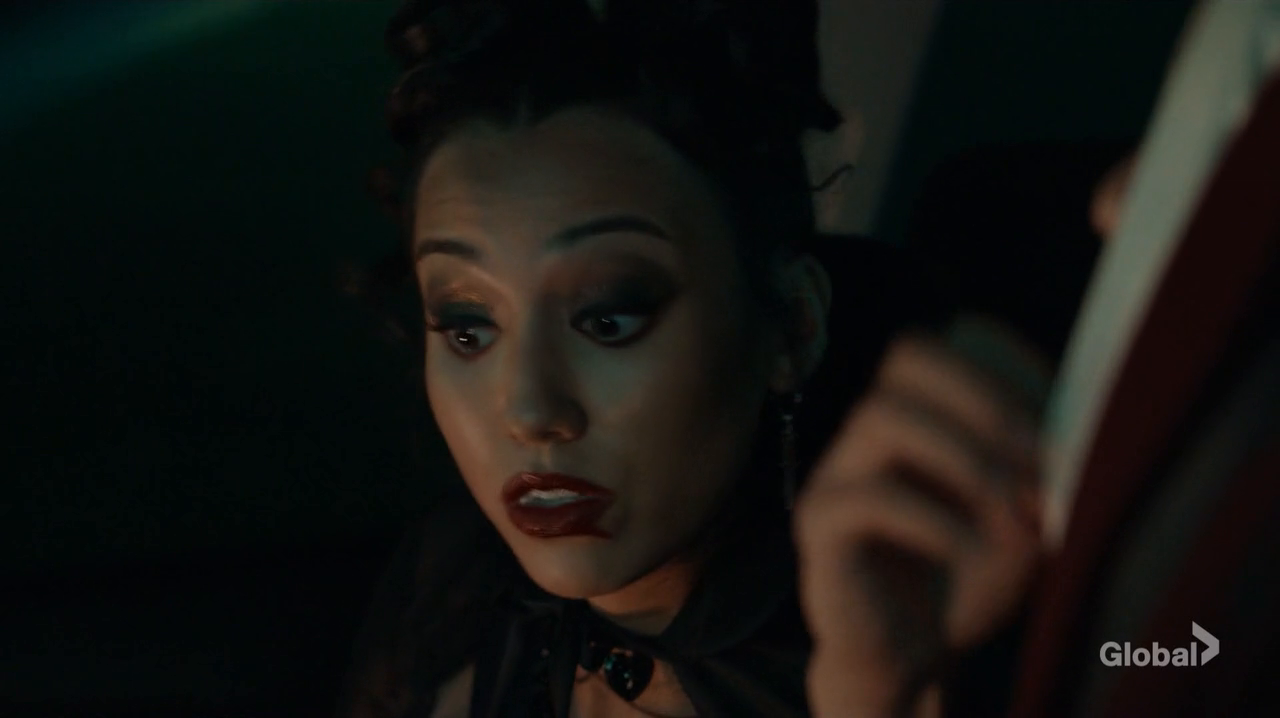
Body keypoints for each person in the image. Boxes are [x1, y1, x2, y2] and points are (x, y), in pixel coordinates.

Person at [337, 1, 1044, 716]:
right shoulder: (448, 588)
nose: (529, 409)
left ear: (792, 328)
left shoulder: (907, 660)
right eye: (467, 330)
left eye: (608, 321)